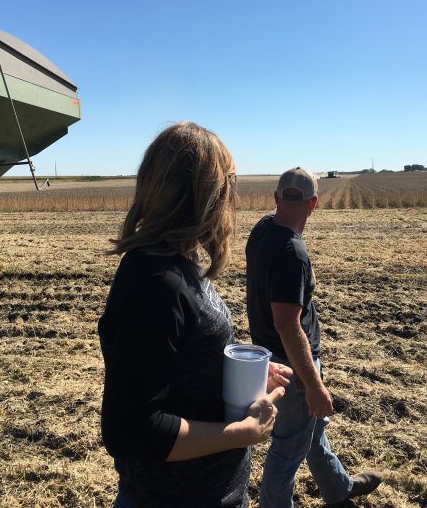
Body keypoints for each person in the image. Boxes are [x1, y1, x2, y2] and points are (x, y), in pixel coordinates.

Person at [98, 122, 292, 508]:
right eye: (228, 187)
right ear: (204, 196)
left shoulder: (177, 262)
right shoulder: (158, 284)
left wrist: (239, 373)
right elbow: (132, 429)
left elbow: (177, 363)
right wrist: (239, 432)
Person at [246, 167, 381, 508]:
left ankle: (339, 488)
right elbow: (287, 325)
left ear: (276, 198)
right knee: (287, 450)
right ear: (314, 203)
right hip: (292, 367)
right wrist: (315, 385)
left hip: (270, 355)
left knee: (313, 431)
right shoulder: (293, 253)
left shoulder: (262, 230)